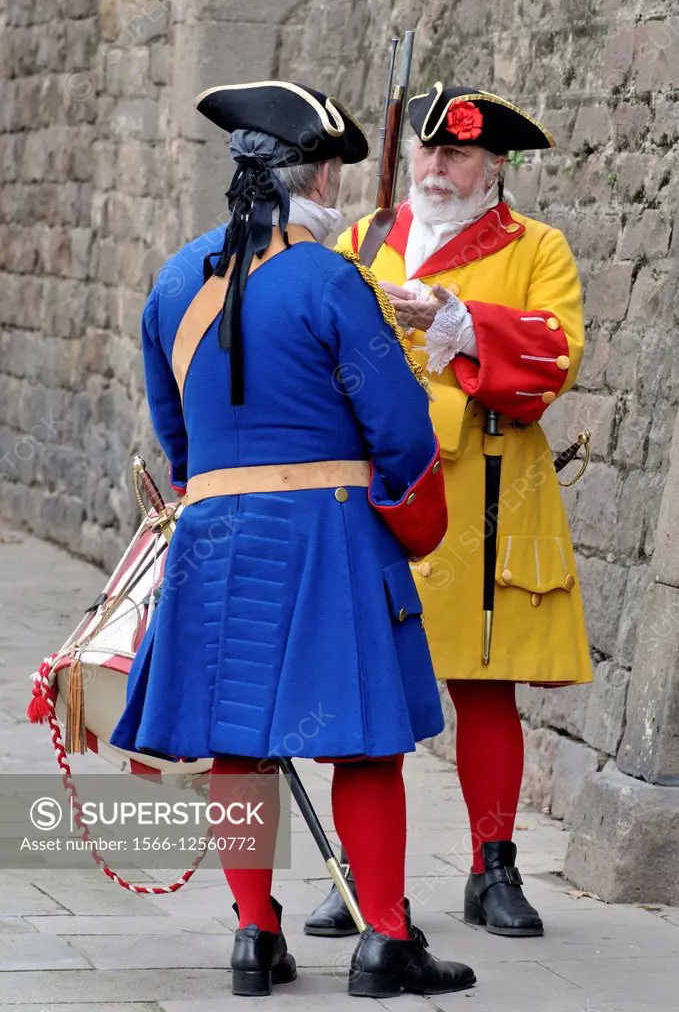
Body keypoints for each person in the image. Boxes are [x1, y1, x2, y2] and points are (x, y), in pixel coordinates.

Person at [110, 80, 476, 998]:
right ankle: (384, 941)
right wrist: (411, 510)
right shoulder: (331, 279)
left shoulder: (169, 280)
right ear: (314, 176)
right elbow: (397, 428)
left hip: (216, 536)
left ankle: (254, 936)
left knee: (237, 743)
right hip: (330, 535)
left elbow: (176, 433)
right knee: (364, 745)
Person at [305, 84, 593, 941]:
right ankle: (361, 873)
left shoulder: (538, 247)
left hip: (491, 491)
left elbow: (555, 353)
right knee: (369, 686)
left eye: (457, 153)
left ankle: (491, 865)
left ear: (493, 168)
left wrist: (463, 326)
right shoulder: (362, 240)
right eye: (428, 151)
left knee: (485, 686)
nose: (436, 167)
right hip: (380, 491)